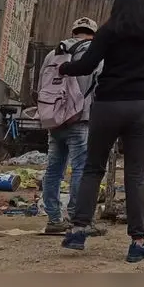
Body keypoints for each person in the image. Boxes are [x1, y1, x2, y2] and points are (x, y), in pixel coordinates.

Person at [58, 0, 144, 263]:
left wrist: (65, 68)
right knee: (137, 174)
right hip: (140, 105)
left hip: (107, 105)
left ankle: (78, 230)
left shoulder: (108, 31)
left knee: (94, 168)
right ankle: (138, 241)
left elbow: (87, 66)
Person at [40, 17, 102, 235]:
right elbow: (99, 87)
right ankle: (78, 218)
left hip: (54, 120)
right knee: (80, 169)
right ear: (93, 34)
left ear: (74, 31)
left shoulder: (53, 53)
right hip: (80, 119)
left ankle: (54, 219)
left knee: (54, 169)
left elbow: (41, 87)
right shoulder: (92, 53)